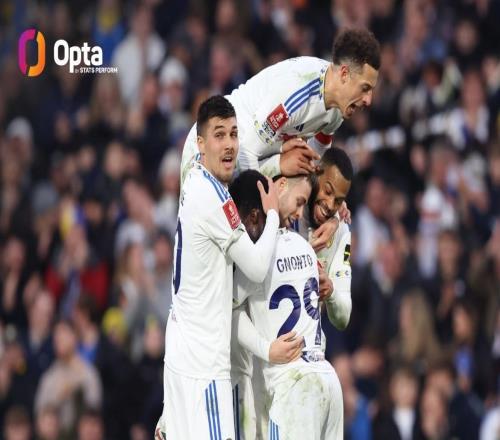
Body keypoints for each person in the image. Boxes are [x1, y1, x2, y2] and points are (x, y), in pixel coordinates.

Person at [160, 95, 281, 440]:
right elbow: (256, 268)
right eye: (219, 135)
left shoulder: (194, 183)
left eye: (233, 134)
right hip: (204, 367)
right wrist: (273, 214)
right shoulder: (214, 198)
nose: (229, 144)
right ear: (200, 144)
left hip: (180, 357)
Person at [180, 27, 380, 184]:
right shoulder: (296, 94)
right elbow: (246, 155)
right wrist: (278, 165)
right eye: (364, 88)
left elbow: (312, 162)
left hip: (244, 157)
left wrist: (330, 201)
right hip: (210, 150)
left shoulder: (337, 109)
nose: (368, 100)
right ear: (344, 74)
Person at [230, 170, 344, 440]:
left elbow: (227, 310)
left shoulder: (259, 257)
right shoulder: (303, 247)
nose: (300, 212)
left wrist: (266, 349)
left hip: (294, 388)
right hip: (327, 379)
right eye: (300, 202)